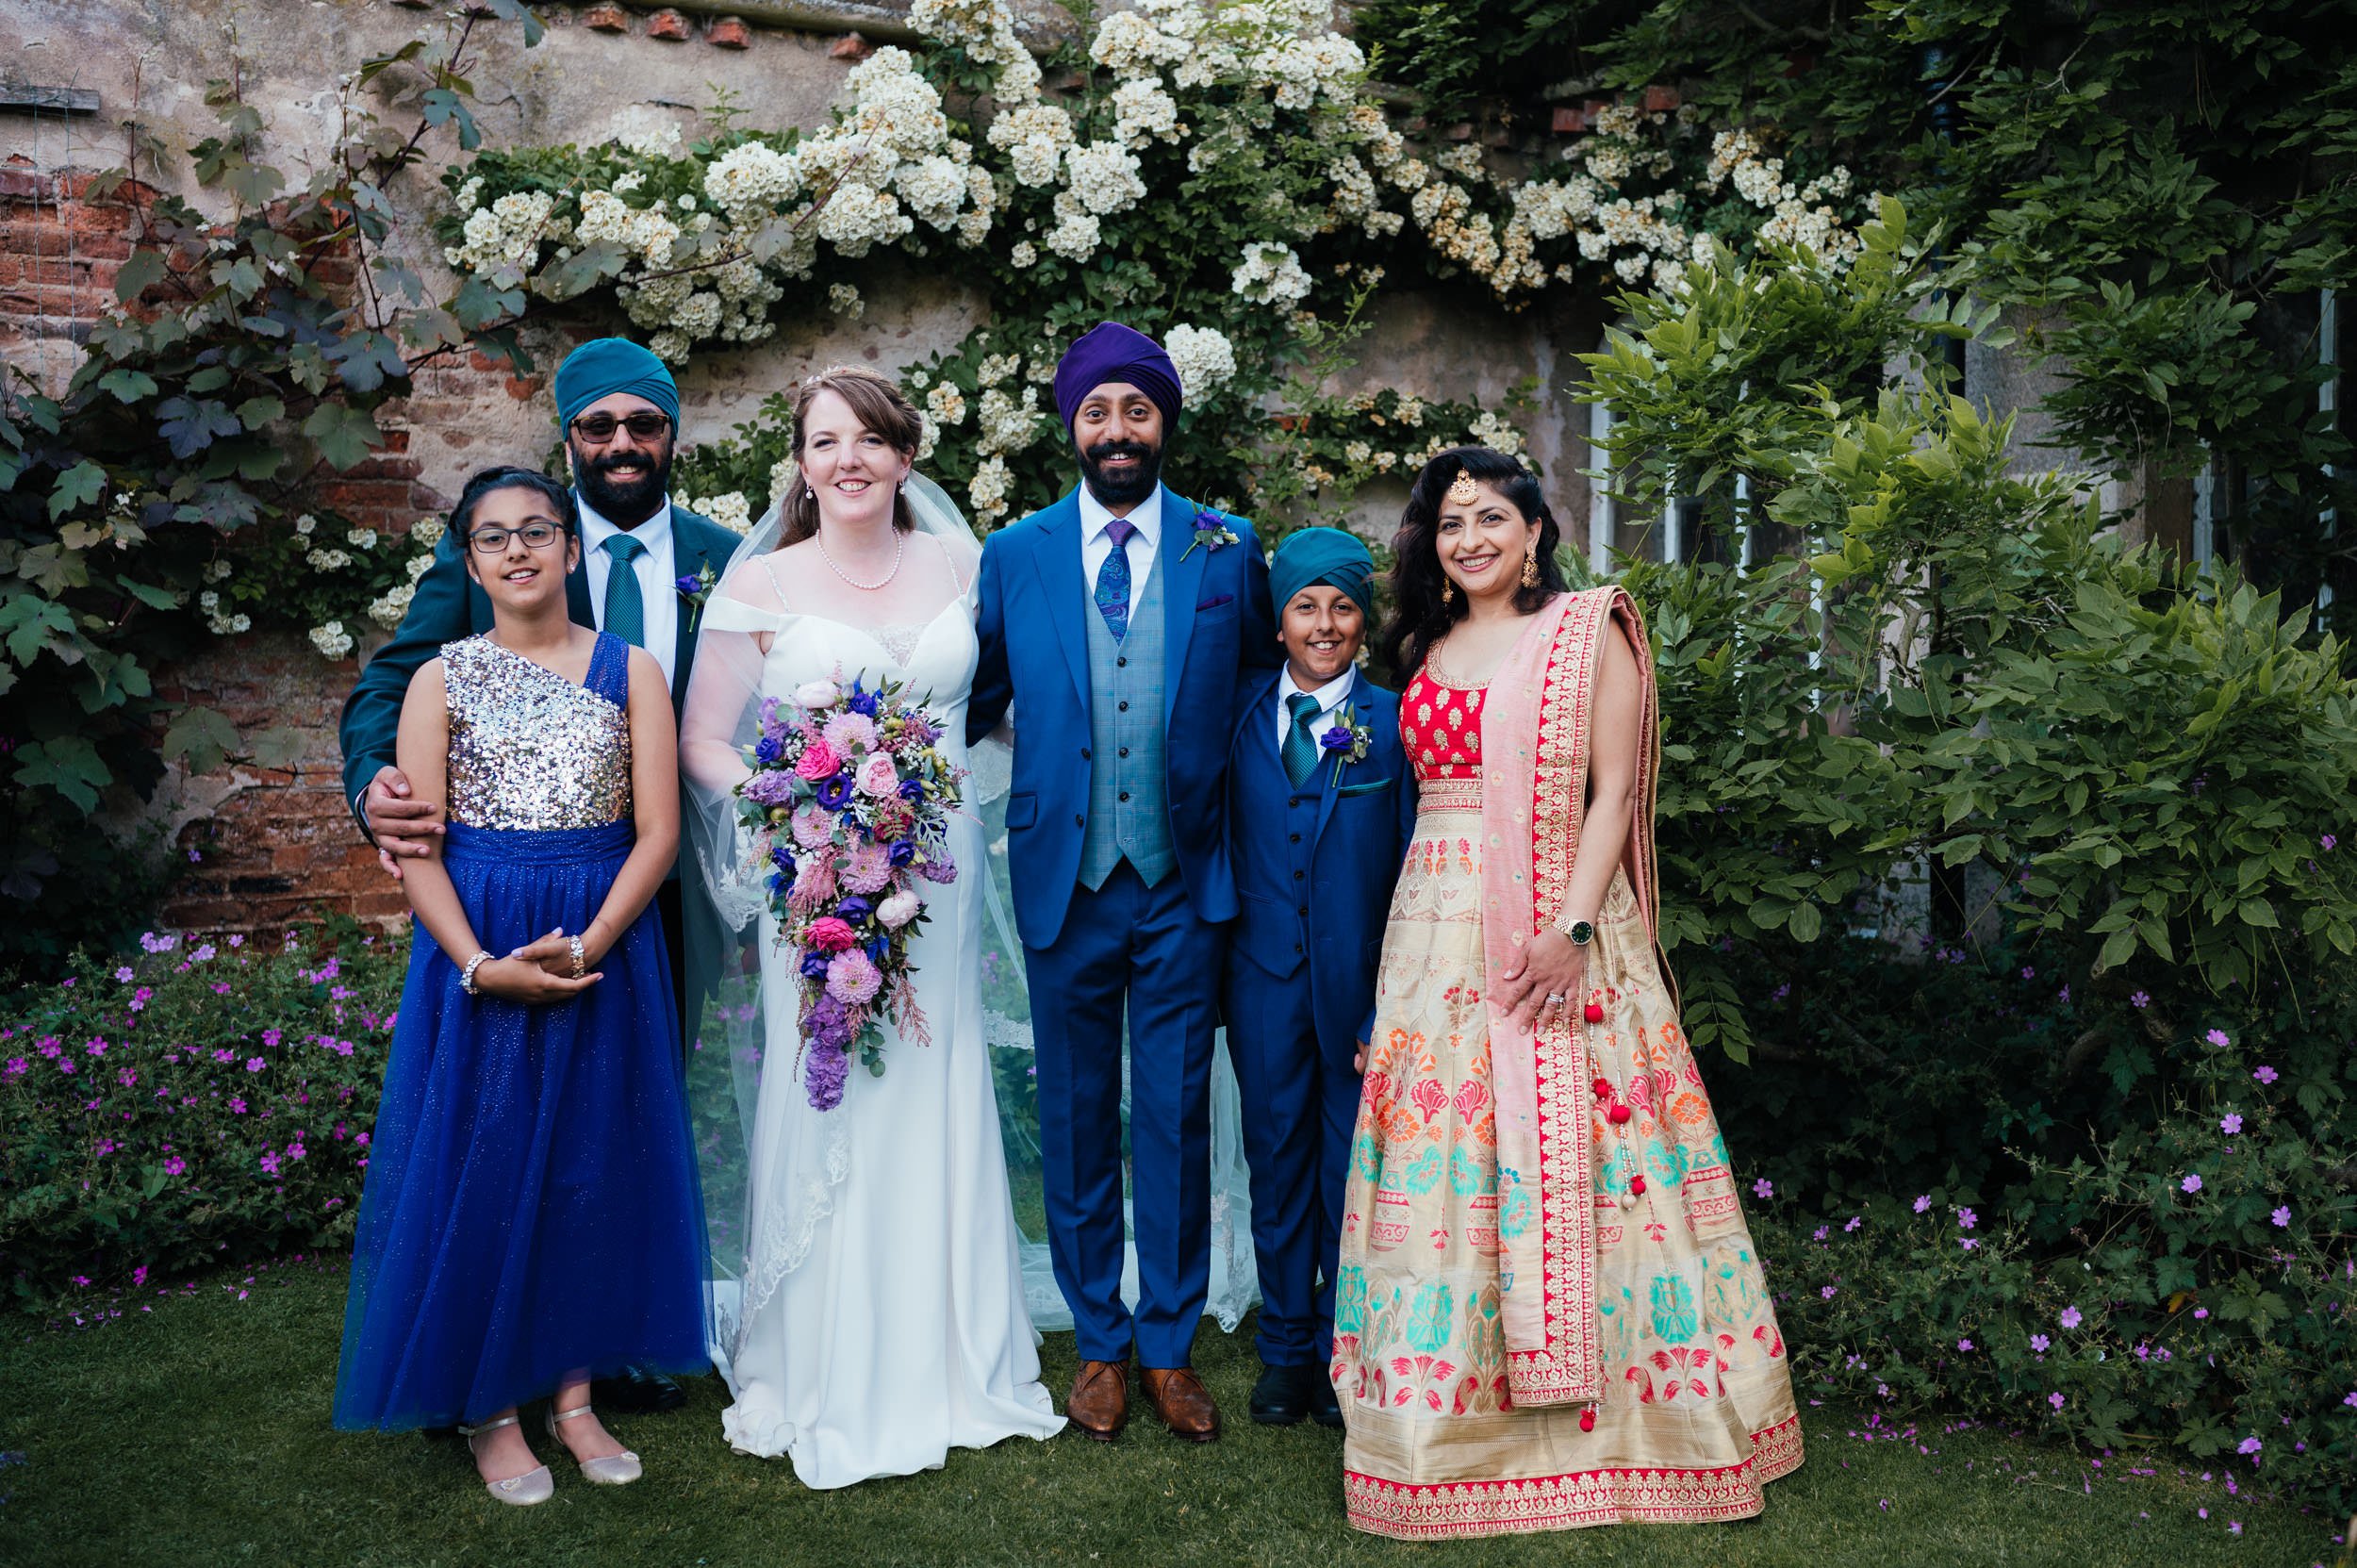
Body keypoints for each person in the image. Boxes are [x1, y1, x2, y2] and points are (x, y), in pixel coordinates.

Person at [1332, 447, 1803, 1538]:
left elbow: (1614, 791)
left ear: (1535, 530)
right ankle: (1443, 1431)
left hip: (1560, 925)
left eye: (1491, 517)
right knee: (1447, 1163)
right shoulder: (1426, 643)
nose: (1470, 539)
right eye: (1450, 524)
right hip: (1434, 932)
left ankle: (1640, 1434)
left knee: (1605, 1161)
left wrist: (1571, 931)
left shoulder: (1589, 633)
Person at [338, 337, 743, 1412]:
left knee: (636, 1107)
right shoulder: (490, 555)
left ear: (670, 434)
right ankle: (507, 1358)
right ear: (569, 440)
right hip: (508, 891)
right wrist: (374, 783)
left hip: (678, 883)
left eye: (641, 424)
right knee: (503, 1113)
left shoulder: (728, 557)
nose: (620, 443)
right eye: (597, 426)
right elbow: (391, 685)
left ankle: (619, 1330)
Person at [678, 366, 1064, 1487]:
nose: (847, 459)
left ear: (904, 455)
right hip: (818, 889)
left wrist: (953, 794)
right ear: (799, 463)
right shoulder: (760, 580)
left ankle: (954, 1355)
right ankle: (824, 1359)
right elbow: (706, 737)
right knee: (830, 1081)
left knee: (936, 1081)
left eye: (869, 440)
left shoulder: (964, 566)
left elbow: (1001, 708)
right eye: (823, 441)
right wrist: (793, 811)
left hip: (932, 885)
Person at [967, 321, 1277, 1443]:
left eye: (1135, 411)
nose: (1115, 431)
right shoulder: (1015, 554)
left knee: (1176, 1116)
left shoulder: (1226, 548)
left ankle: (1168, 1343)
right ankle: (1097, 1339)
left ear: (1164, 423)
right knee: (1075, 1112)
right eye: (1096, 412)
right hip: (1064, 874)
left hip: (1183, 877)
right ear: (1071, 427)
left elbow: (1253, 684)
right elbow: (979, 695)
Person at [1222, 526, 1416, 1428]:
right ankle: (1284, 1353)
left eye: (1342, 606)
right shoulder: (1238, 719)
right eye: (1306, 605)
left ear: (1363, 622)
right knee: (1278, 1165)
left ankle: (1346, 1354)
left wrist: (1393, 995)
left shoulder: (1394, 724)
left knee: (1351, 1172)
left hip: (1358, 991)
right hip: (1263, 981)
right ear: (1279, 620)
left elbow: (1418, 862)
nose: (1325, 623)